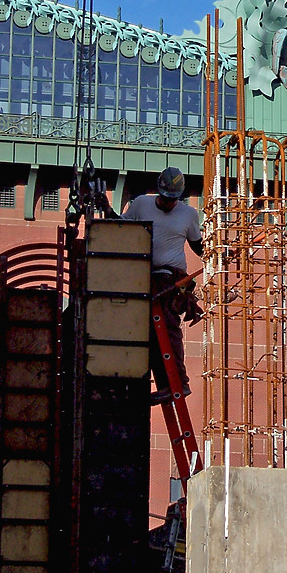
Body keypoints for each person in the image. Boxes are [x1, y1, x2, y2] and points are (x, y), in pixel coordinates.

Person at [99, 166, 203, 404]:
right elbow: (121, 226)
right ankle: (164, 383)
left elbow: (198, 246)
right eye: (166, 199)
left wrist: (219, 251)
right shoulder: (141, 205)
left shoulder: (188, 215)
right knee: (148, 332)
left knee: (167, 327)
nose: (168, 204)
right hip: (143, 275)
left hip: (170, 278)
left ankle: (179, 383)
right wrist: (106, 210)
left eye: (173, 200)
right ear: (159, 192)